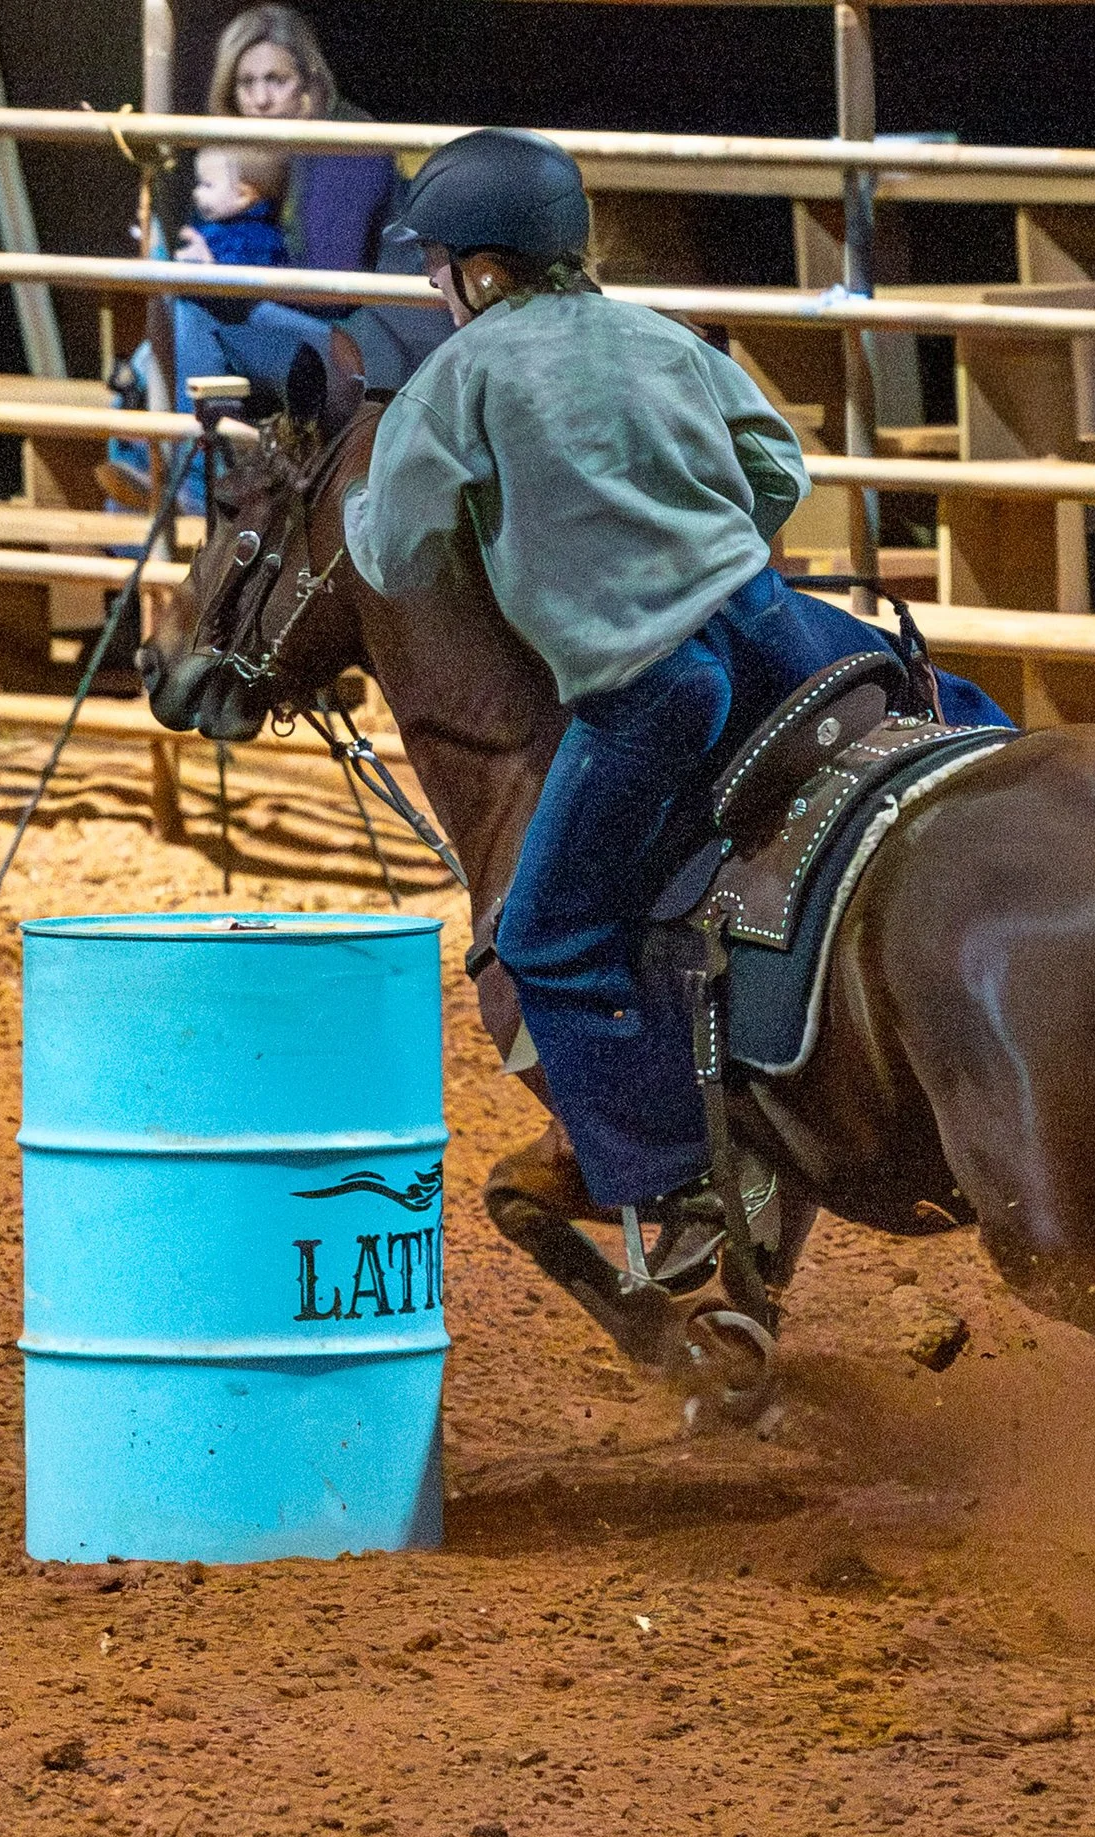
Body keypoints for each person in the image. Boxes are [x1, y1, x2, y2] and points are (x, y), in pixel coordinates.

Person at [343, 129, 1010, 1259]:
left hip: (655, 684)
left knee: (544, 936)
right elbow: (779, 471)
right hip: (773, 622)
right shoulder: (657, 333)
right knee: (948, 712)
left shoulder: (458, 376)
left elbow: (397, 560)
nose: (429, 283)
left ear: (485, 272)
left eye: (436, 262)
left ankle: (679, 1186)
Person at [105, 5, 408, 505]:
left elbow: (331, 292)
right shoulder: (263, 154)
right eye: (247, 83)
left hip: (366, 345)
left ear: (308, 83)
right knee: (172, 323)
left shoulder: (348, 143)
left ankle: (189, 487)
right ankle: (143, 485)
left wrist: (223, 274)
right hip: (307, 329)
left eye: (276, 80)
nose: (261, 99)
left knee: (195, 307)